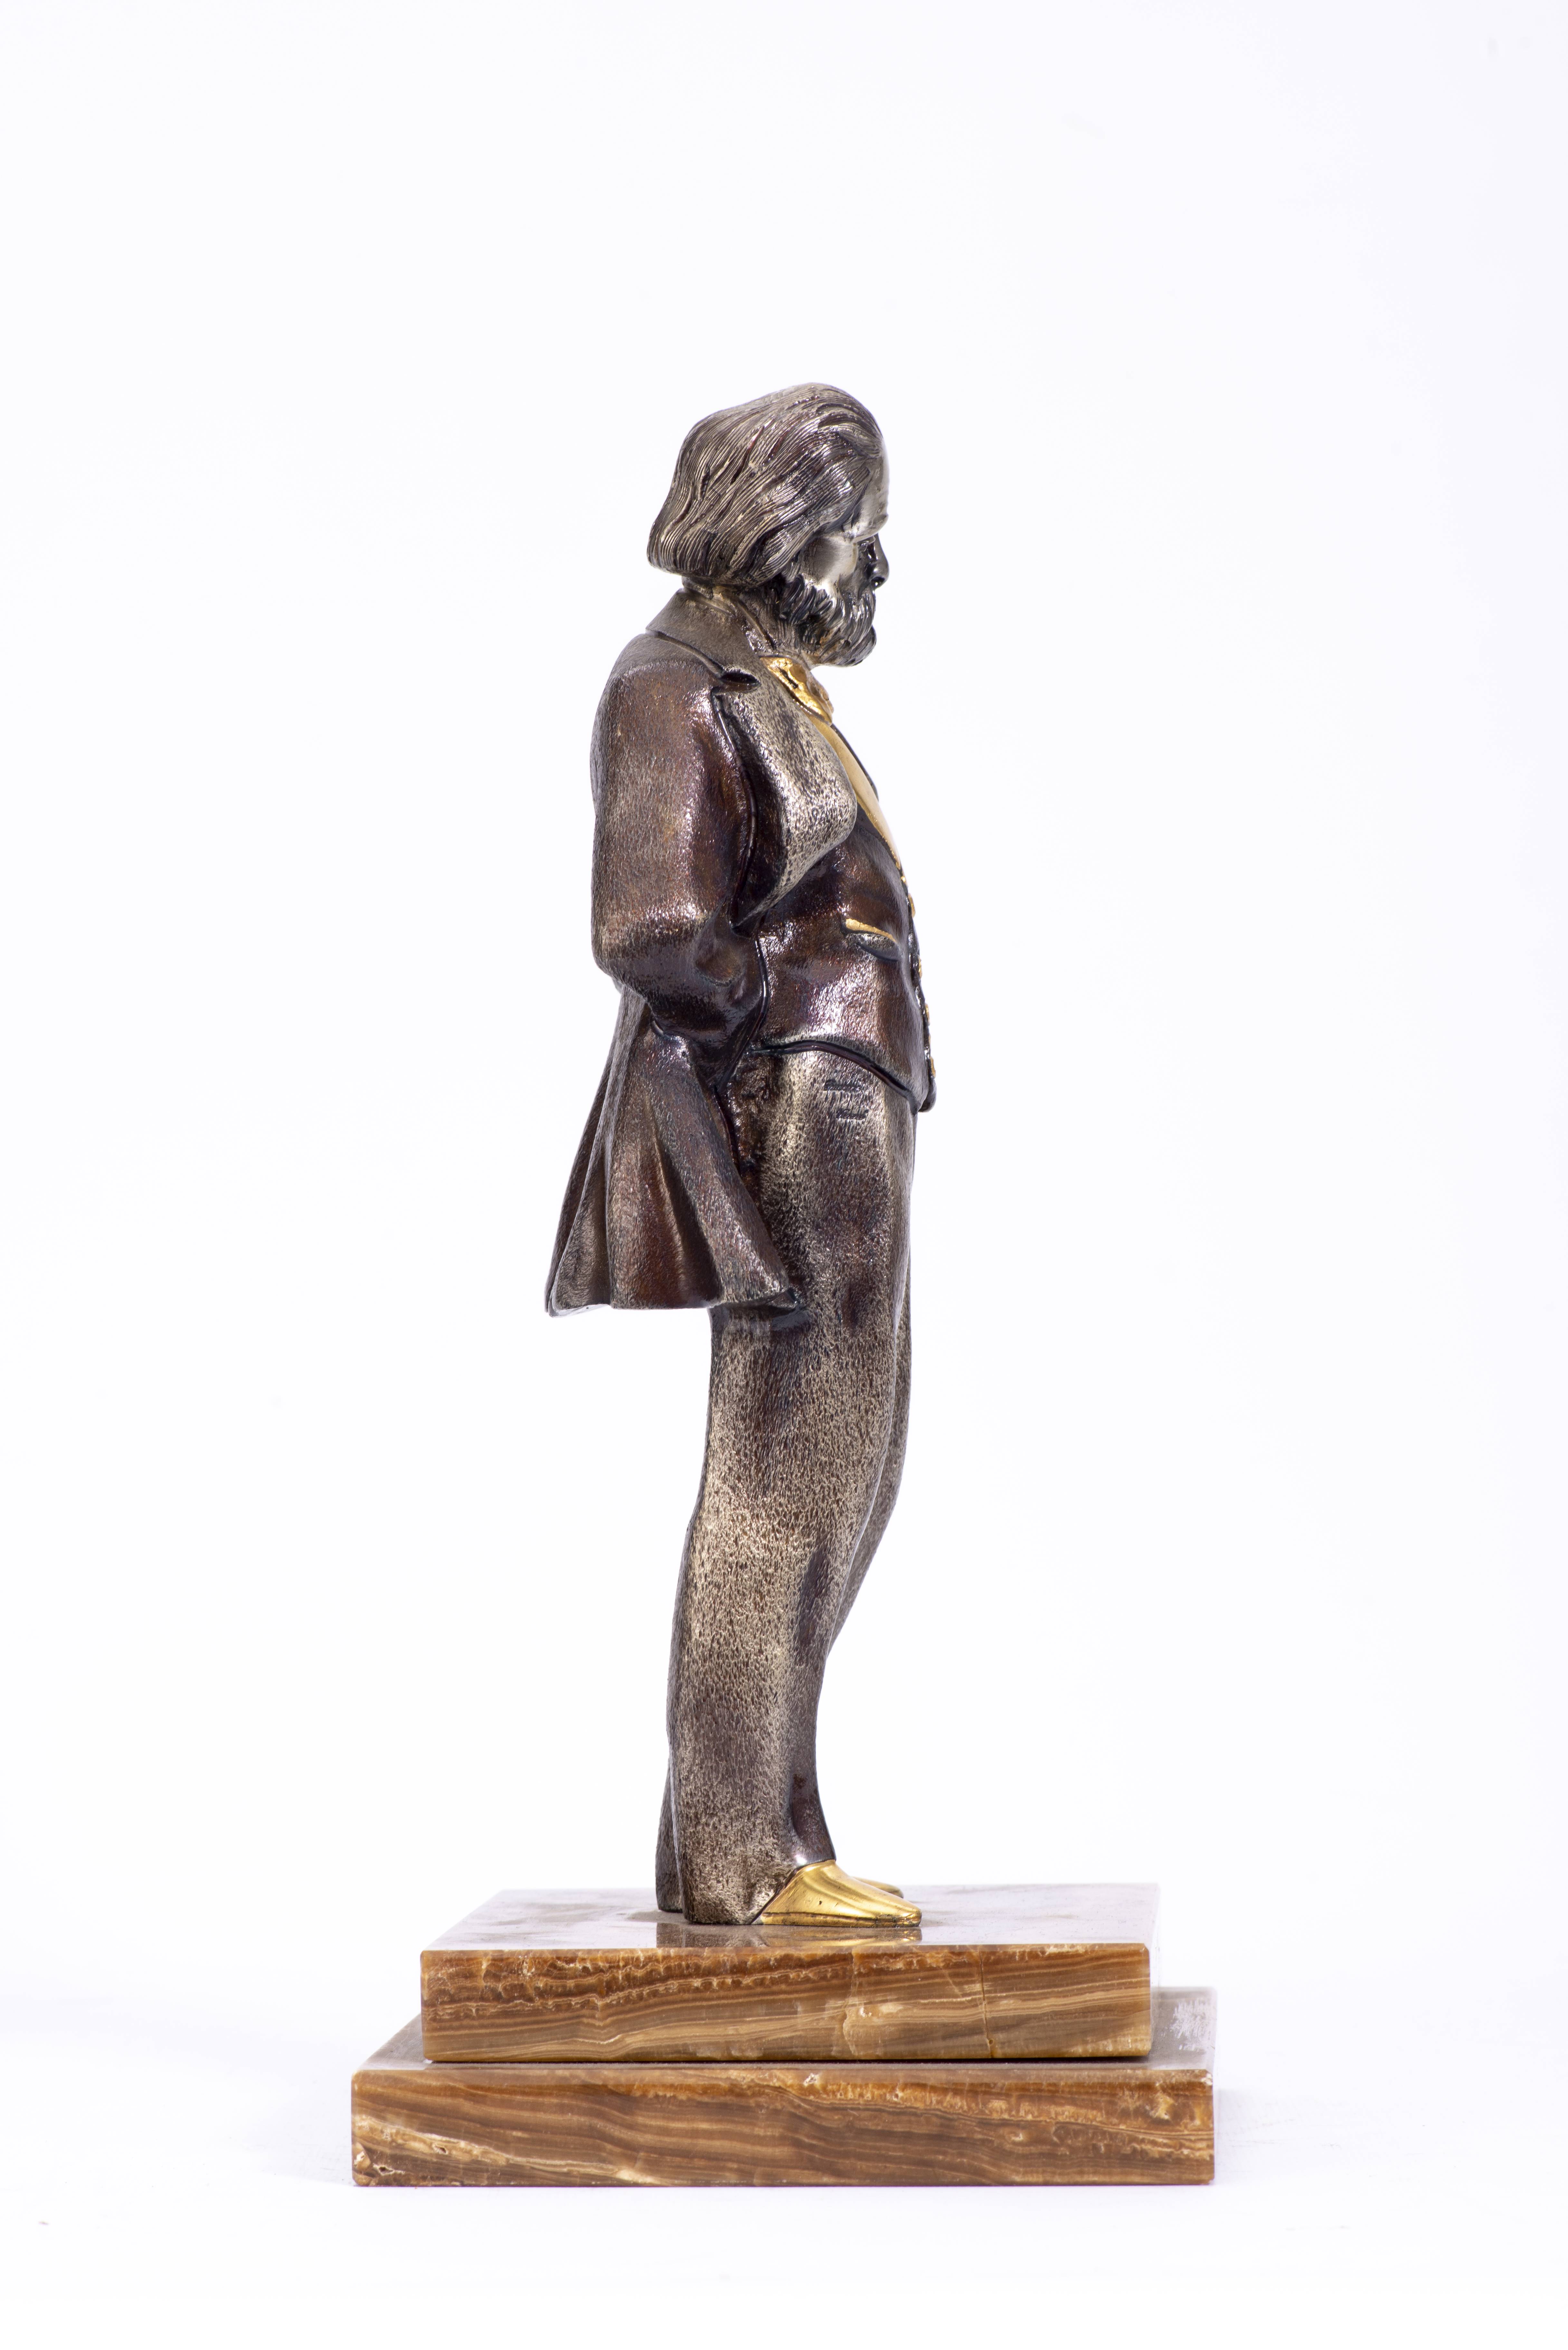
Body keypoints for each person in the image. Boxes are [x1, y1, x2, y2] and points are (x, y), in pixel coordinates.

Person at [547, 385, 934, 1926]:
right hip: (797, 1095)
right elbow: (653, 927)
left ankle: (773, 1831)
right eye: (859, 531)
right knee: (784, 1476)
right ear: (781, 526)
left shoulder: (760, 677)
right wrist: (773, 1037)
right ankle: (736, 1858)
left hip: (844, 1088)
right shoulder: (675, 683)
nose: (875, 565)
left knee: (847, 1473)